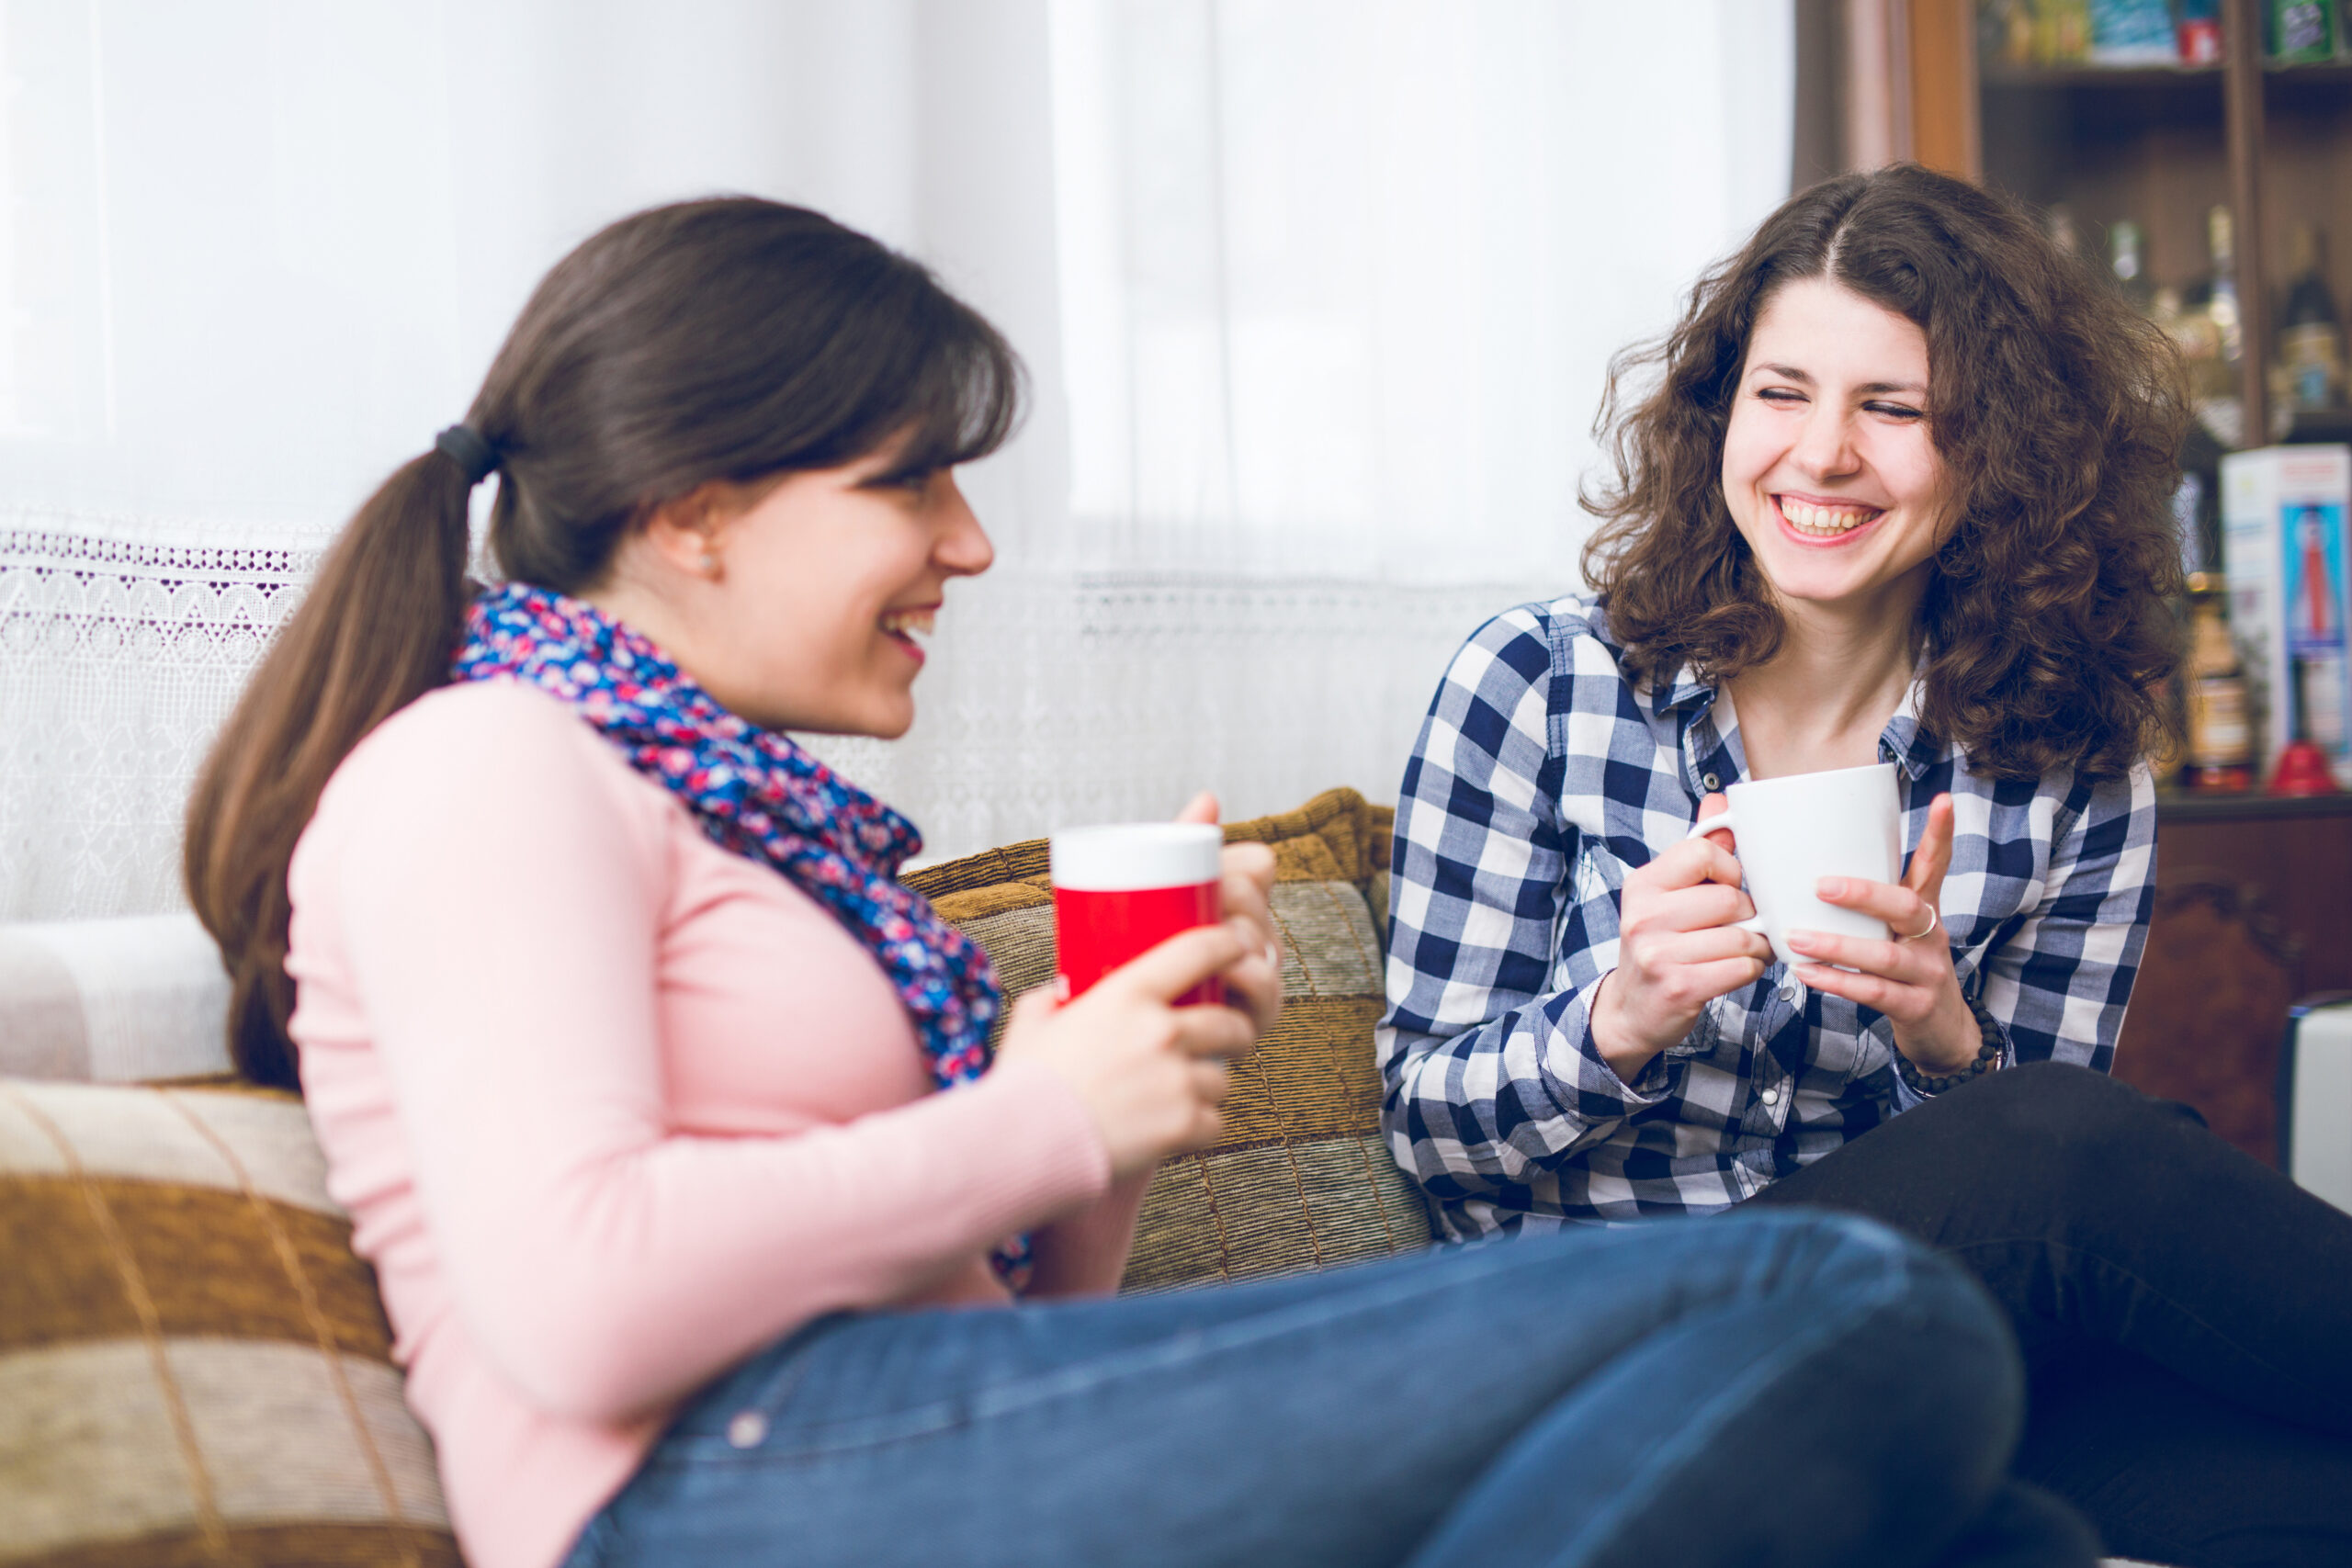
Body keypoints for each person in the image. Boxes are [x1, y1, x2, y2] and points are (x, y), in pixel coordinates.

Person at [181, 197, 2096, 1568]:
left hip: (926, 1427)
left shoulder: (745, 826)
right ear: (691, 514)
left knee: (1967, 1509)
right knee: (1853, 1302)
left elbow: (1008, 1301)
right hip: (709, 1491)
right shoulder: (479, 765)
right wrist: (1027, 1112)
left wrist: (1101, 1105)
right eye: (912, 483)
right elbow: (578, 1306)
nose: (971, 542)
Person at [1380, 163, 2352, 1568]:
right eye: (1781, 394)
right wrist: (1618, 1019)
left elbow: (2070, 1246)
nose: (1821, 455)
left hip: (1921, 1356)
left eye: (1891, 409)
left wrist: (1950, 1044)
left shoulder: (2068, 764)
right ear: (1724, 413)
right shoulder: (1537, 685)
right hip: (1617, 1348)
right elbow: (1425, 1128)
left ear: (1999, 453)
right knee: (2060, 1133)